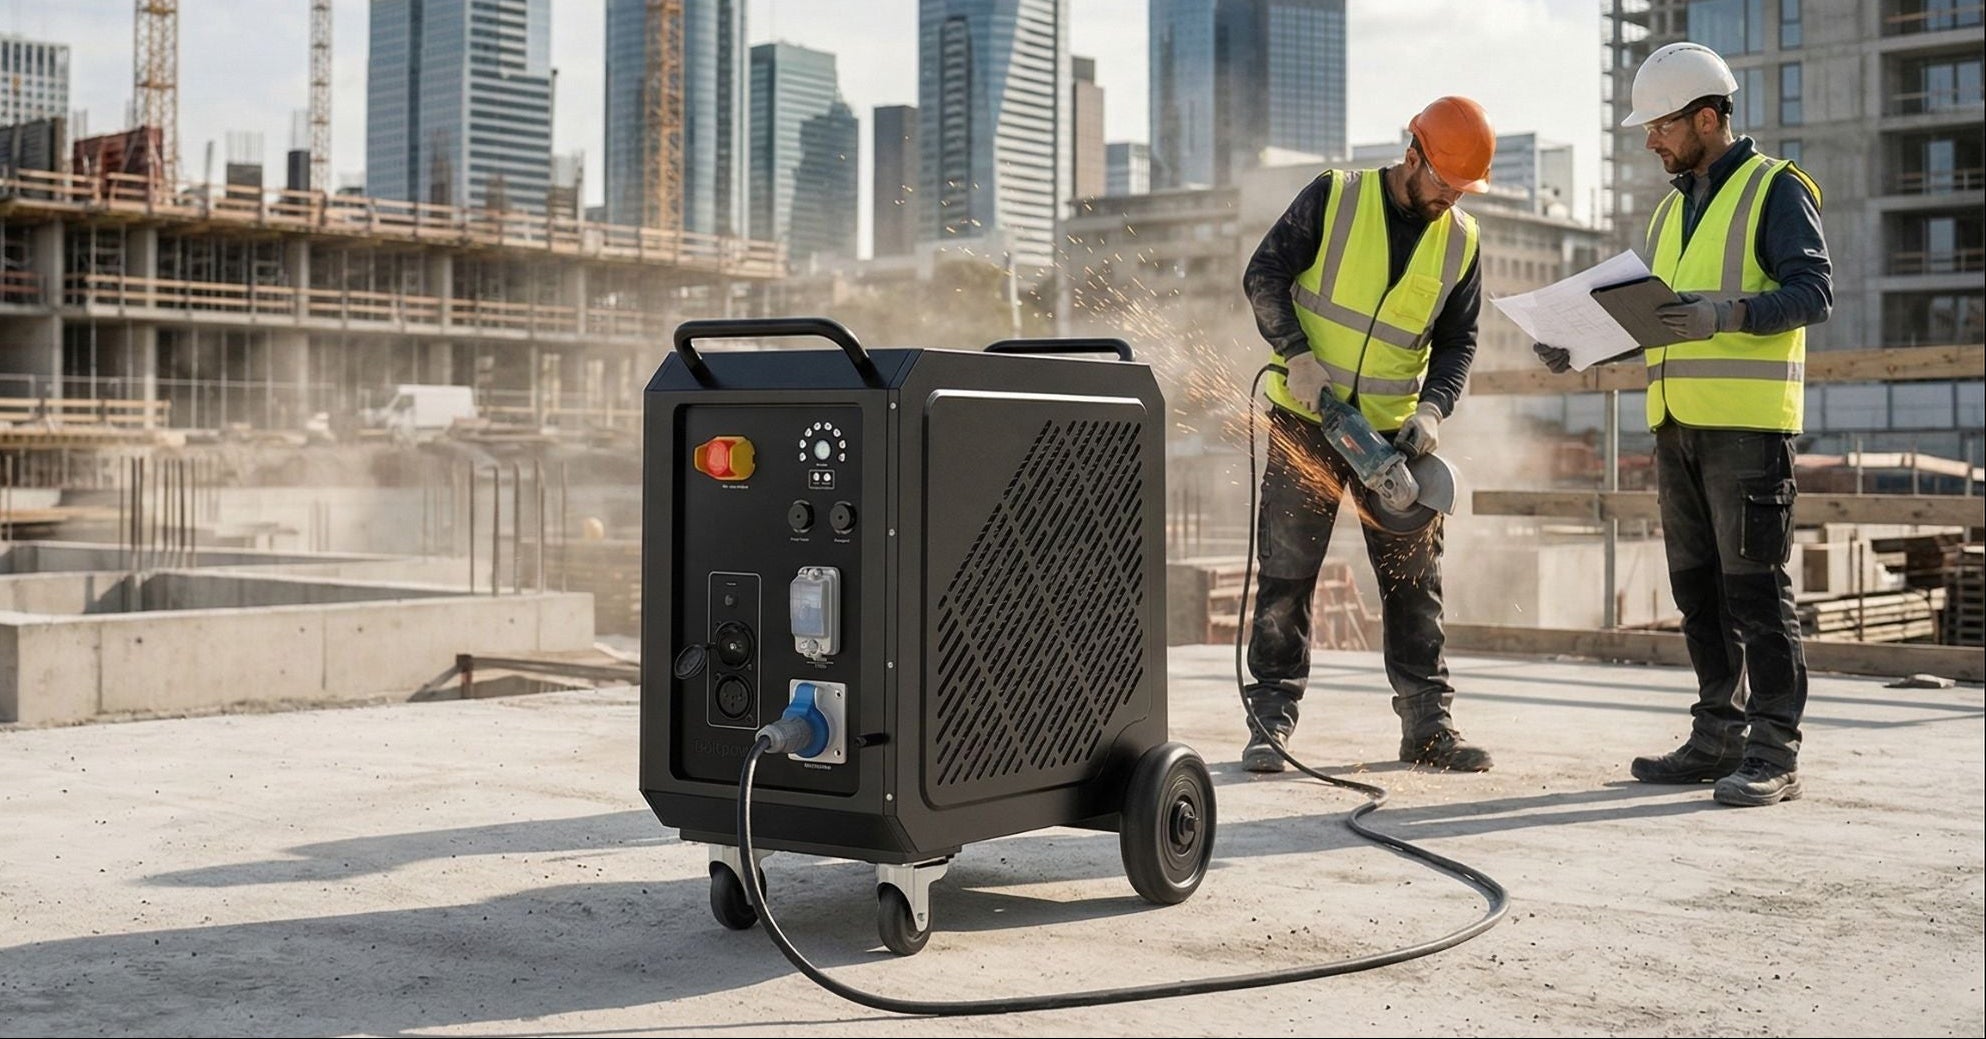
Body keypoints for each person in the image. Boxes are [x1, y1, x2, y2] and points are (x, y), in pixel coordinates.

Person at [1534, 41, 1831, 807]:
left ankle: (1773, 748)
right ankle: (1716, 734)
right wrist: (1583, 346)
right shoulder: (1672, 211)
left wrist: (1723, 315)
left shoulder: (1776, 190)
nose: (1649, 140)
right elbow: (1660, 320)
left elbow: (1813, 294)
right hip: (1674, 425)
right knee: (1698, 591)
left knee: (1756, 591)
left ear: (1707, 118)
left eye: (1661, 125)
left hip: (1747, 427)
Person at [1238, 96, 1495, 774]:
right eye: (1443, 182)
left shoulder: (1462, 240)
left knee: (1416, 585)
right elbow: (1263, 275)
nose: (1449, 198)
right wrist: (1295, 354)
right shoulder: (1336, 197)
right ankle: (1271, 719)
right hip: (1307, 417)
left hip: (1392, 440)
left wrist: (1434, 410)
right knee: (1287, 576)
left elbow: (1458, 342)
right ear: (1413, 154)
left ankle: (1428, 729)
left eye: (1462, 190)